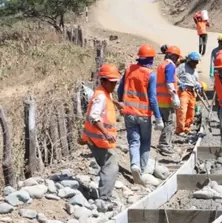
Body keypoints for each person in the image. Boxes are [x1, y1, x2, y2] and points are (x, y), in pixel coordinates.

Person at [117, 44, 164, 185]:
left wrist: (121, 103)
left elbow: (120, 90)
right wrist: (159, 118)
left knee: (133, 141)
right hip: (144, 115)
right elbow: (153, 98)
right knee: (145, 143)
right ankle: (142, 171)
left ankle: (134, 165)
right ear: (150, 59)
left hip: (129, 113)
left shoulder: (129, 69)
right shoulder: (150, 75)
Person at [78, 64, 122, 211]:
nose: (115, 85)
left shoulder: (103, 92)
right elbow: (93, 116)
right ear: (104, 81)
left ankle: (104, 195)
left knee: (108, 165)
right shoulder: (101, 95)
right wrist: (106, 133)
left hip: (96, 138)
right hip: (99, 139)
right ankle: (104, 199)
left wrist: (116, 104)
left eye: (116, 82)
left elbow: (104, 102)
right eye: (112, 82)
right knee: (111, 166)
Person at [156, 45, 182, 156]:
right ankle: (164, 145)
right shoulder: (170, 66)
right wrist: (175, 96)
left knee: (166, 121)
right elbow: (169, 82)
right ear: (174, 56)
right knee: (169, 122)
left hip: (160, 98)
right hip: (166, 99)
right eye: (177, 57)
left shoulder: (162, 65)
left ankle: (166, 143)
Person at [176, 52, 203, 135]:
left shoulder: (194, 70)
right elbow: (175, 76)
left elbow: (196, 80)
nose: (196, 63)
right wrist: (180, 83)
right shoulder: (182, 67)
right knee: (182, 111)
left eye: (197, 62)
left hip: (192, 92)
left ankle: (187, 128)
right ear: (189, 61)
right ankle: (180, 129)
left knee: (191, 112)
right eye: (194, 61)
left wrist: (198, 84)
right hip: (184, 91)